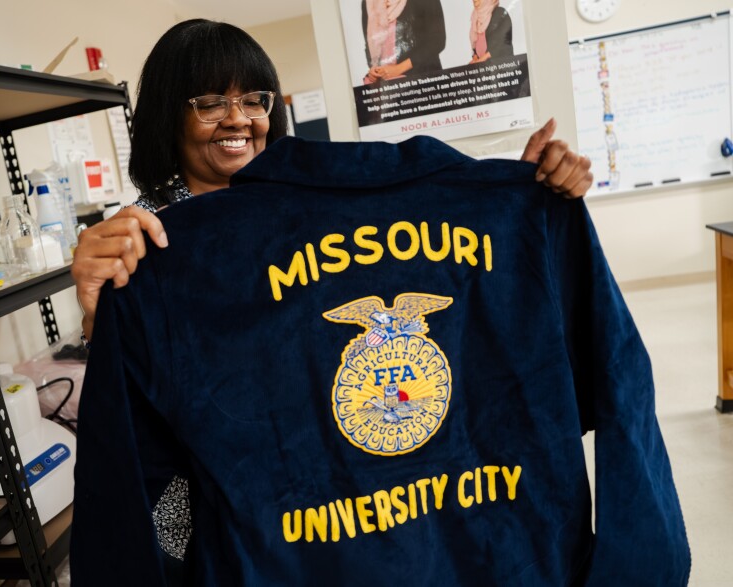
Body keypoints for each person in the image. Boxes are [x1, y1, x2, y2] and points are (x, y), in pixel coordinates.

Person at [70, 18, 590, 572]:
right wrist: (101, 311)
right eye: (209, 102)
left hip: (347, 496)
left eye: (253, 98)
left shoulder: (311, 212)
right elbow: (132, 428)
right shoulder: (145, 240)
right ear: (166, 119)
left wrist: (515, 202)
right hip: (246, 524)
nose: (239, 119)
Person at [361, 0, 446, 84]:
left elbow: (437, 40)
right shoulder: (368, 2)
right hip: (385, 87)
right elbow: (369, 44)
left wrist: (399, 69)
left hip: (422, 82)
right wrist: (374, 70)